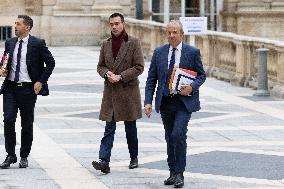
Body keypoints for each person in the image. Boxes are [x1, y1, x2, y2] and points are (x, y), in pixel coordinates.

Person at [144, 20, 206, 188]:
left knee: (178, 134)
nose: (171, 35)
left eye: (175, 32)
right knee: (169, 136)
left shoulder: (192, 52)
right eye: (169, 32)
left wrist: (191, 87)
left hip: (183, 102)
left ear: (181, 34)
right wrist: (148, 101)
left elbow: (201, 75)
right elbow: (151, 80)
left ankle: (180, 173)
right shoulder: (159, 53)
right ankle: (172, 172)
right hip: (165, 101)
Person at [0, 15, 55, 169]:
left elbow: (50, 63)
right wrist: (2, 69)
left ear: (28, 27)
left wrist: (40, 81)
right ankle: (10, 155)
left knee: (26, 123)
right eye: (15, 23)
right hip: (10, 87)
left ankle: (24, 155)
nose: (15, 26)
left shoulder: (37, 43)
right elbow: (5, 60)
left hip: (28, 89)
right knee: (8, 120)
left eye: (18, 24)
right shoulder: (10, 42)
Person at [92, 13, 144, 174]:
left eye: (117, 23)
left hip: (128, 91)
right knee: (109, 128)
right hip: (111, 93)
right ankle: (104, 161)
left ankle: (134, 157)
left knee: (130, 129)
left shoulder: (133, 42)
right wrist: (107, 74)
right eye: (111, 24)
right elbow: (100, 66)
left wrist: (120, 76)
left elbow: (139, 67)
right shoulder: (105, 44)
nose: (114, 27)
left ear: (123, 24)